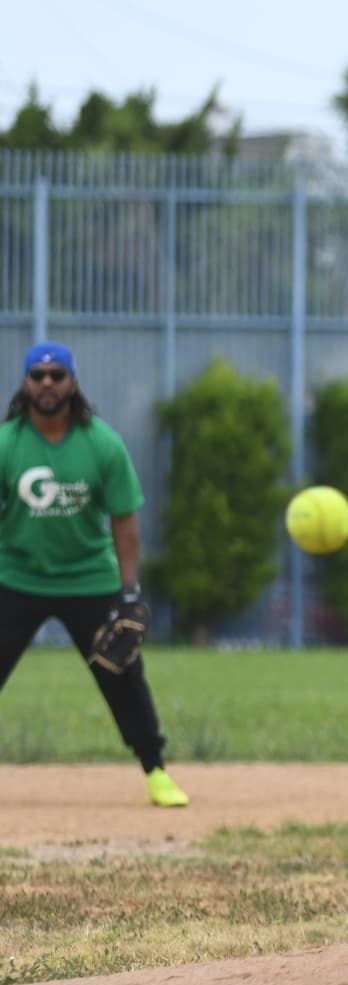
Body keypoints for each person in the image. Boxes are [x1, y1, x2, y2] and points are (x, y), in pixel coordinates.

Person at [0, 342, 188, 807]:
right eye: (38, 375)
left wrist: (129, 591)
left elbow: (124, 520)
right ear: (25, 383)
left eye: (57, 375)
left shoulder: (102, 443)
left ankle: (156, 771)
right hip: (17, 575)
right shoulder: (7, 443)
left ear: (73, 382)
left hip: (88, 578)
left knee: (122, 674)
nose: (47, 383)